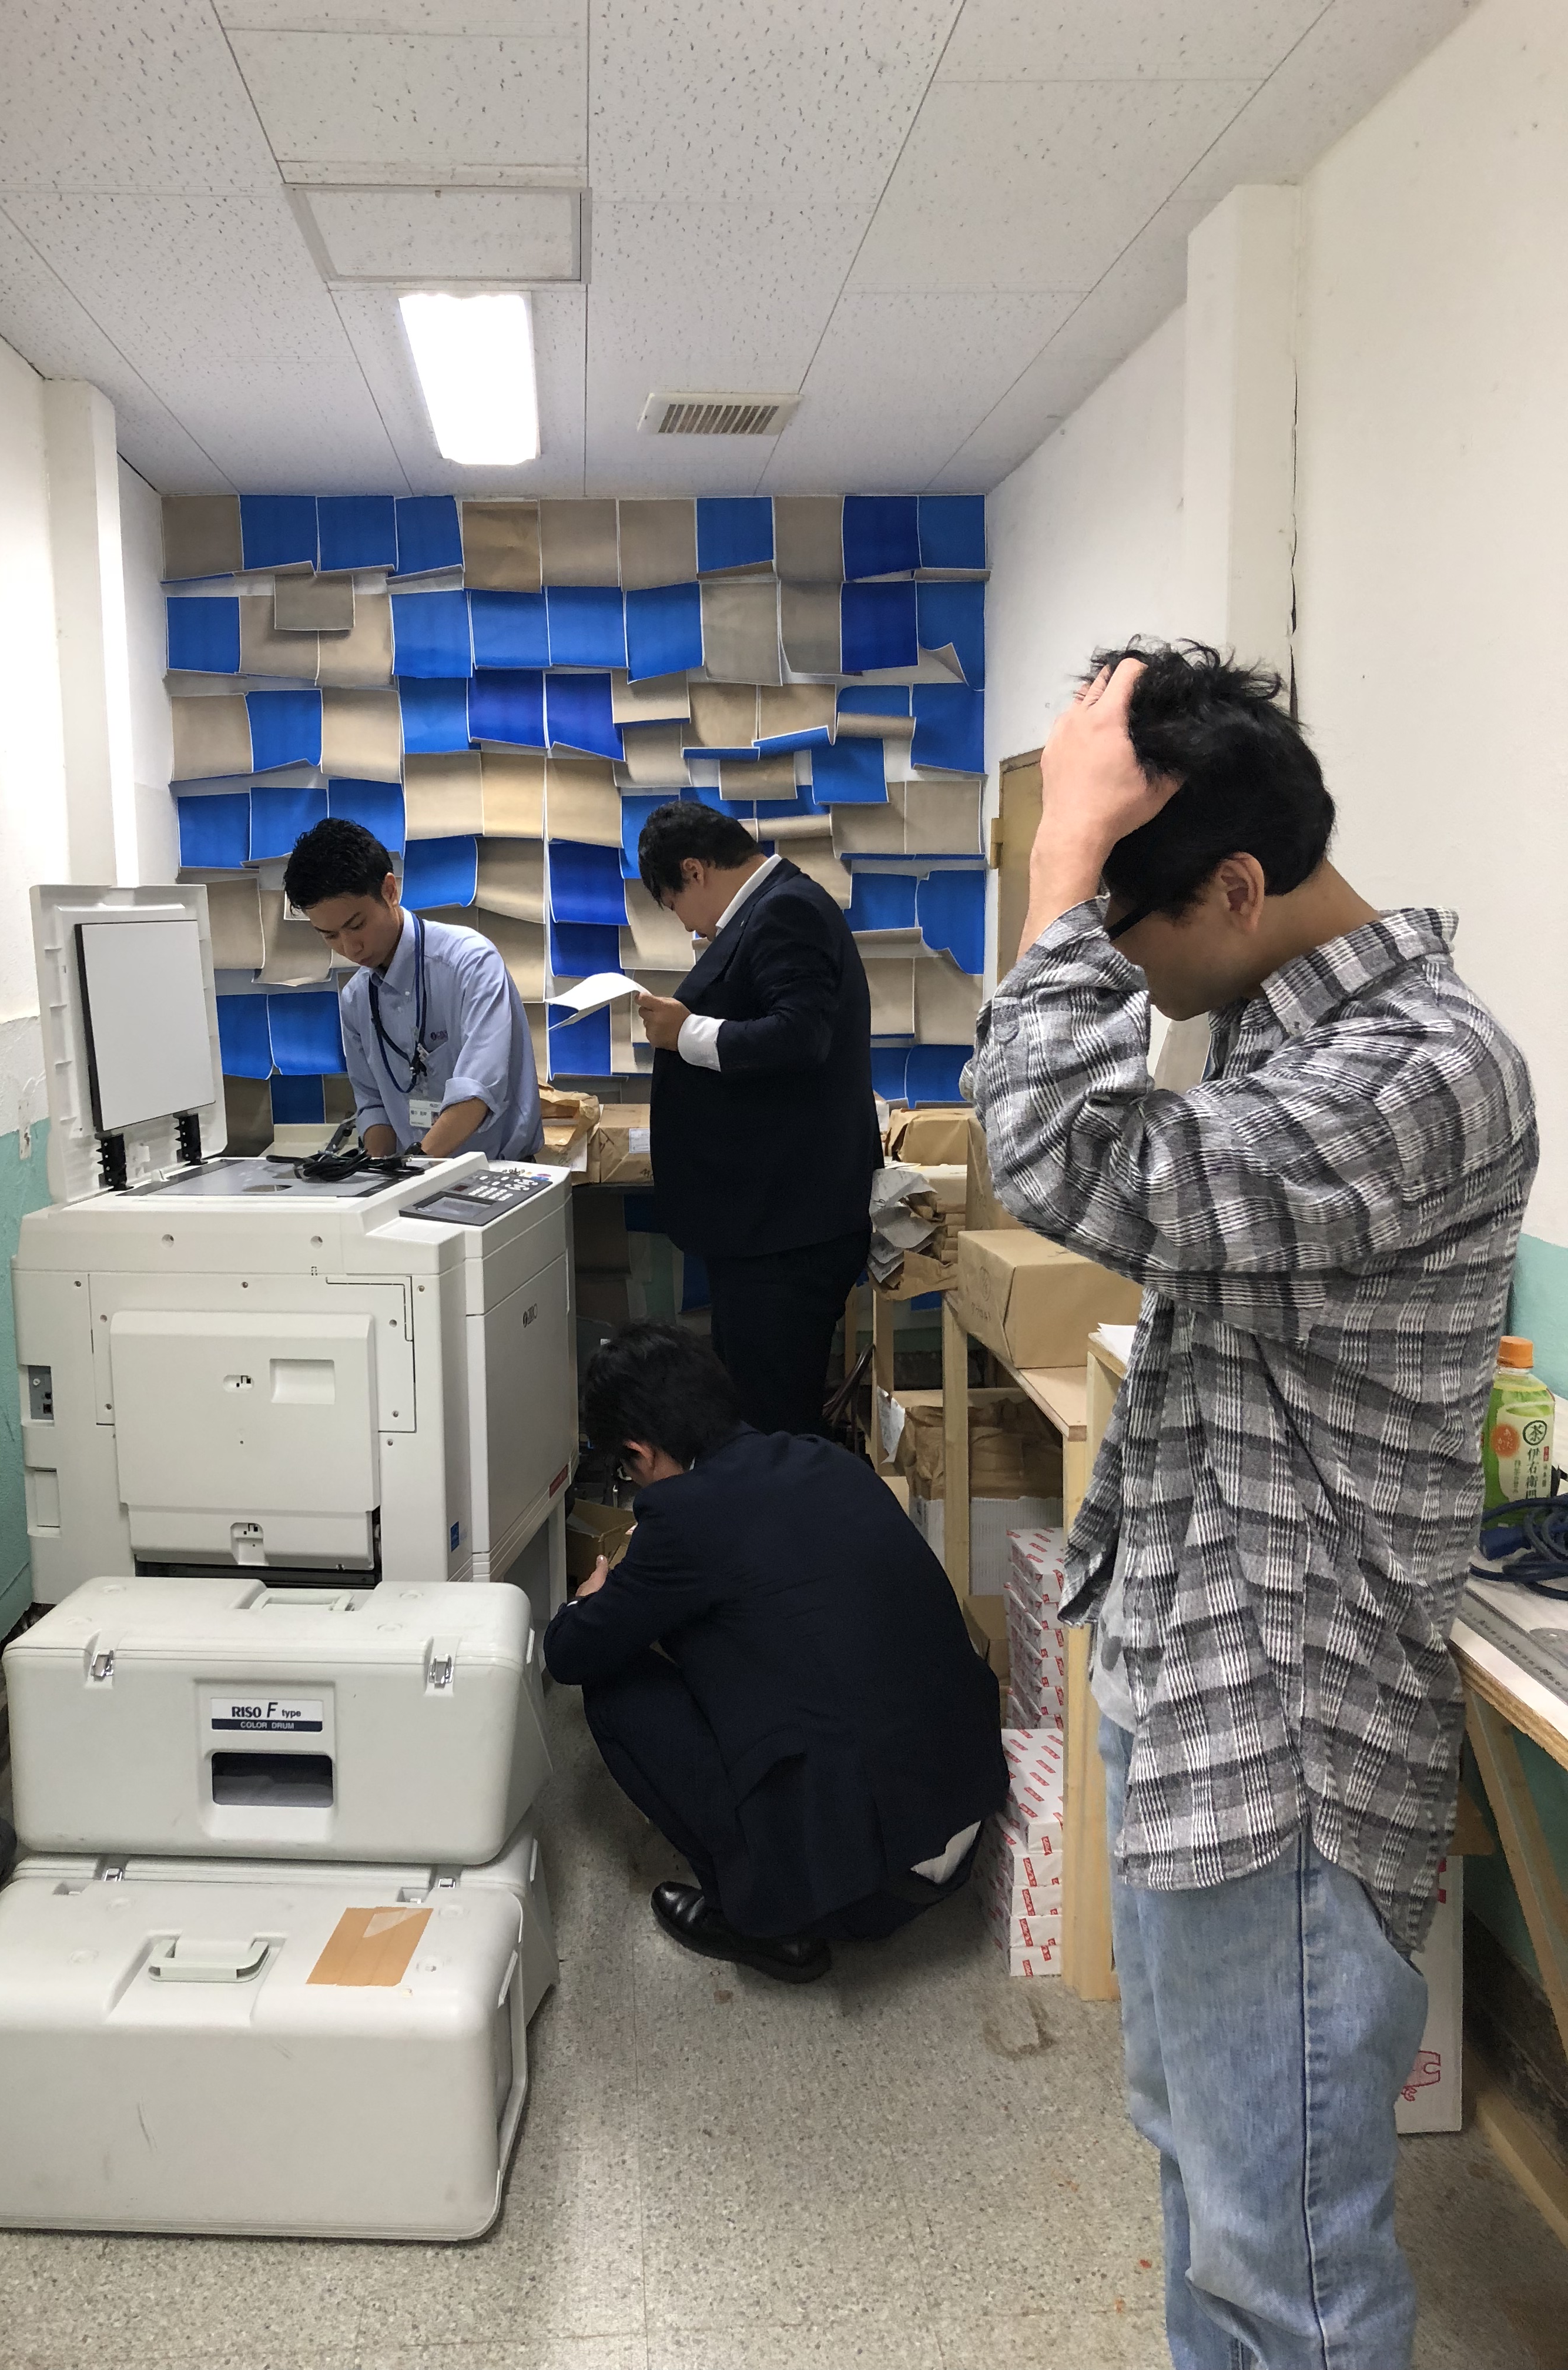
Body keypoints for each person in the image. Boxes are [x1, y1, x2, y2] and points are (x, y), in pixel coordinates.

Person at [971, 640, 1537, 2370]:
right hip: (1195, 1684)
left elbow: (1062, 1155)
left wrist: (1059, 878)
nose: (1125, 974)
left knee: (1283, 2258)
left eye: (1126, 934)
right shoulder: (1291, 1030)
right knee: (1212, 2187)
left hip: (1284, 1725)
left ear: (1233, 887)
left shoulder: (1424, 1071)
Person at [544, 1322, 1009, 1981]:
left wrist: (589, 1602)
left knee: (616, 1688)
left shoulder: (683, 1519)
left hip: (869, 1887)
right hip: (960, 1829)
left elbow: (569, 1654)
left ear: (640, 1453)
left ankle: (764, 1919)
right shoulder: (827, 1459)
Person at [633, 804, 881, 1437]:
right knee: (757, 1400)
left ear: (695, 871)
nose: (686, 924)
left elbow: (800, 1036)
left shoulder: (785, 911)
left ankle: (788, 1502)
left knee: (774, 1415)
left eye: (673, 904)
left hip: (787, 1228)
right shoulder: (771, 909)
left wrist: (686, 1033)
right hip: (768, 1222)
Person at [283, 817, 541, 1162]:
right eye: (330, 936)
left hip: (495, 1171)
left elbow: (476, 1095)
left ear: (390, 891)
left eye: (357, 925)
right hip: (411, 1173)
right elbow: (373, 1104)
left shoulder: (470, 963)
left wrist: (411, 1167)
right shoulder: (356, 999)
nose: (350, 948)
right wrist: (377, 1173)